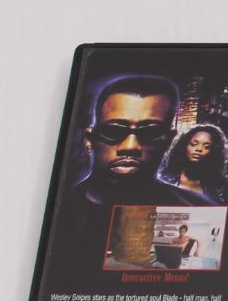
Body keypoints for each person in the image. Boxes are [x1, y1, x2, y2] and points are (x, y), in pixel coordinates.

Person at [74, 76, 209, 209]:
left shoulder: (197, 210)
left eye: (150, 132)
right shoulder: (65, 206)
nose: (130, 146)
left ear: (168, 141)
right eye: (114, 131)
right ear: (90, 139)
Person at [160, 124, 228, 204]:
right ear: (184, 146)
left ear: (213, 152)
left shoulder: (218, 189)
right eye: (193, 144)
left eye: (206, 147)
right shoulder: (163, 180)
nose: (199, 149)